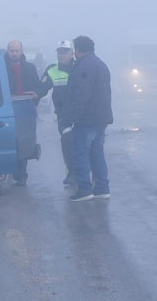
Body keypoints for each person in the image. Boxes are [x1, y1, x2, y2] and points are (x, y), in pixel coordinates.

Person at [60, 35, 113, 201]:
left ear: (77, 50)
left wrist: (70, 118)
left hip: (86, 120)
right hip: (101, 118)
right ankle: (102, 188)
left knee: (81, 154)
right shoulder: (101, 64)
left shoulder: (83, 66)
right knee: (97, 154)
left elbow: (81, 96)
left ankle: (84, 189)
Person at [38, 40, 76, 186]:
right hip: (63, 115)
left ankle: (85, 174)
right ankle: (71, 174)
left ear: (72, 53)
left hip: (81, 114)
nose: (61, 55)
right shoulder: (52, 70)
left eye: (64, 52)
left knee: (84, 145)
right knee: (67, 144)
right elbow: (41, 89)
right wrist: (32, 97)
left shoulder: (80, 67)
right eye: (59, 52)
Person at [4, 40, 41, 186]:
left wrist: (34, 100)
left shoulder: (30, 68)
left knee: (24, 142)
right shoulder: (2, 68)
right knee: (10, 142)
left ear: (21, 51)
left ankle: (22, 174)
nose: (14, 53)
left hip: (25, 109)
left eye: (16, 51)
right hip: (8, 109)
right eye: (11, 51)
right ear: (8, 51)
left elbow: (37, 88)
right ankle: (11, 172)